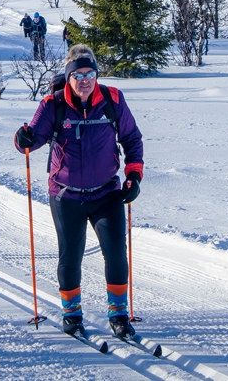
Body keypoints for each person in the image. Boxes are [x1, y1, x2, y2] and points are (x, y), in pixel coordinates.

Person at [13, 44, 144, 339]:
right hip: (66, 195)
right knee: (71, 255)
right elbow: (30, 140)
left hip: (106, 192)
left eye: (90, 73)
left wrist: (134, 176)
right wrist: (23, 137)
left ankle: (119, 315)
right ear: (69, 76)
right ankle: (72, 315)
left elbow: (132, 139)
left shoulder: (112, 100)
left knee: (116, 252)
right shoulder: (53, 105)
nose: (85, 80)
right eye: (78, 74)